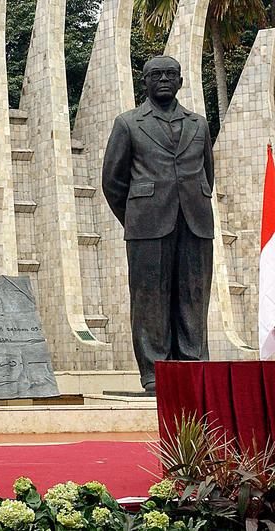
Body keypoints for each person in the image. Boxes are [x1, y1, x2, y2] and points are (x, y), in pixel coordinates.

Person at [102, 55, 214, 394]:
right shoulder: (128, 123)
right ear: (145, 81)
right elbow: (113, 181)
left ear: (180, 81)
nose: (163, 79)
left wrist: (192, 202)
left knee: (194, 294)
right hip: (146, 224)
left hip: (194, 221)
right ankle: (154, 371)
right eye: (156, 74)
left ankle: (193, 363)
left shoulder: (199, 124)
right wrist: (136, 216)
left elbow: (208, 172)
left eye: (170, 74)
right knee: (149, 297)